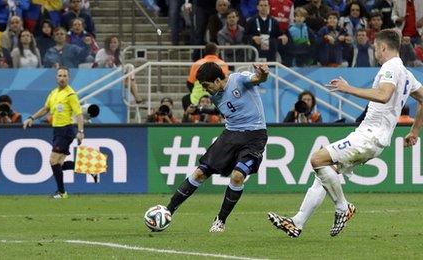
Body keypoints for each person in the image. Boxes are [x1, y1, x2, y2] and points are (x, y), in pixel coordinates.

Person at [268, 29, 423, 238]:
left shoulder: (391, 68)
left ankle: (343, 207)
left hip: (370, 136)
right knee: (324, 174)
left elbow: (384, 95)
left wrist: (348, 88)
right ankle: (297, 222)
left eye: (376, 48)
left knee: (317, 159)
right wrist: (414, 130)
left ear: (383, 47)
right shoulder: (406, 73)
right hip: (374, 138)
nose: (376, 52)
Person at [161, 62, 270, 233]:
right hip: (230, 135)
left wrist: (263, 73)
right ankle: (168, 212)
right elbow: (224, 110)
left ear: (218, 79)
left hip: (254, 136)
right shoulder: (216, 96)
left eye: (206, 85)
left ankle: (220, 220)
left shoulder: (239, 80)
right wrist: (200, 110)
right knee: (199, 173)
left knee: (237, 176)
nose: (206, 89)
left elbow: (257, 78)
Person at [23, 67, 85, 199]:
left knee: (53, 161)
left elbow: (79, 114)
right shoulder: (53, 93)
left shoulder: (71, 94)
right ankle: (88, 168)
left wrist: (80, 131)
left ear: (68, 78)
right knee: (59, 164)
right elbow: (46, 109)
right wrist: (31, 118)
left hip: (66, 130)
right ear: (56, 78)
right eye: (60, 75)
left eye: (65, 76)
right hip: (57, 130)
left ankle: (62, 192)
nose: (62, 78)